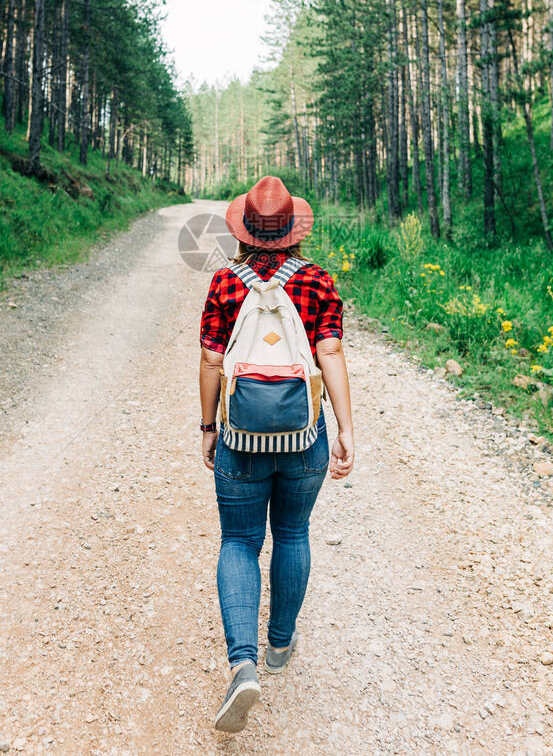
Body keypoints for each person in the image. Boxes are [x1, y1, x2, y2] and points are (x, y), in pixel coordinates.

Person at [198, 175, 354, 733]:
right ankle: (281, 645)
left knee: (239, 541)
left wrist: (208, 426)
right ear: (292, 230)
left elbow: (213, 361)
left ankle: (242, 664)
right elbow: (329, 353)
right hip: (302, 436)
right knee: (292, 534)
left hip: (240, 438)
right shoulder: (316, 282)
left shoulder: (224, 281)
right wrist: (344, 428)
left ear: (245, 231)